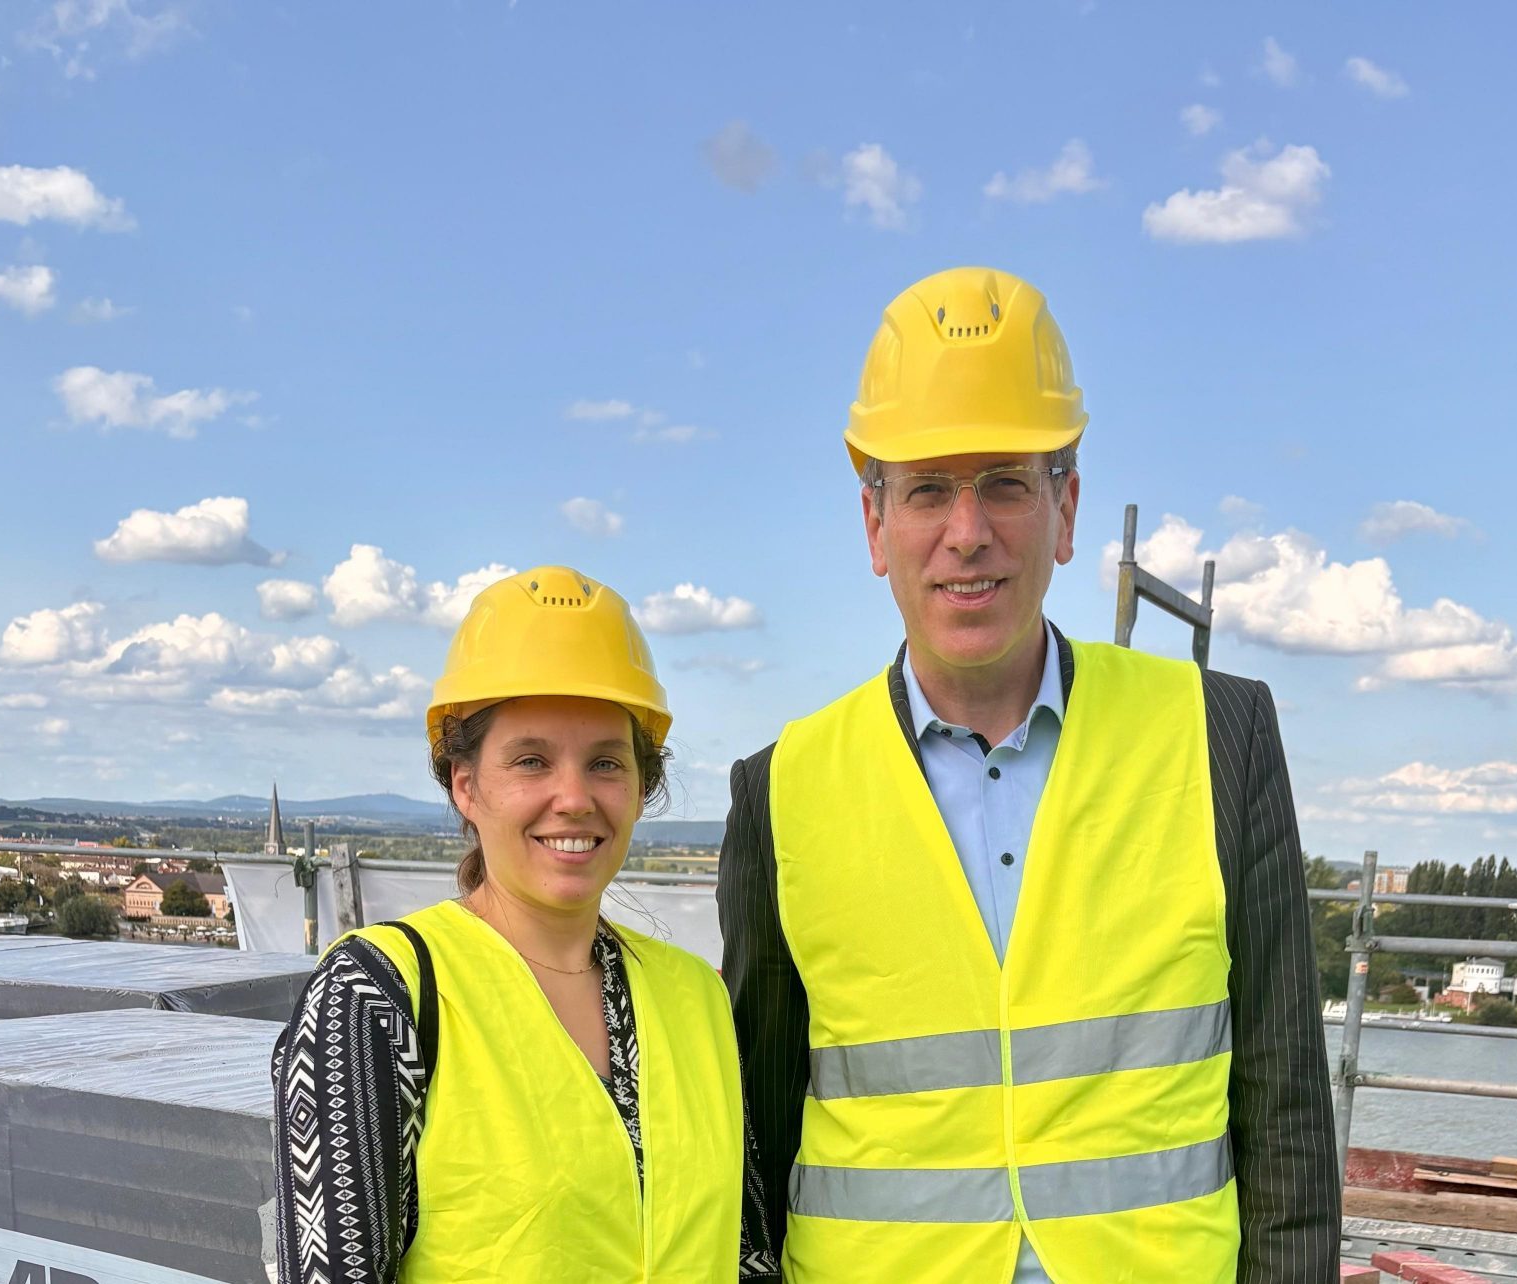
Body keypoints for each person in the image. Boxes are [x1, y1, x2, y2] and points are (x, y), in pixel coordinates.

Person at [718, 267, 1339, 1282]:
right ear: (876, 525)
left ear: (1065, 509)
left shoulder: (1217, 737)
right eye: (926, 489)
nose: (968, 532)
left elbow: (1289, 1129)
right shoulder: (782, 790)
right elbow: (760, 1147)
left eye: (1005, 481)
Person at [273, 565, 777, 1282]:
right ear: (465, 783)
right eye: (532, 761)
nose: (573, 798)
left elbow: (749, 1257)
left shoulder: (697, 1000)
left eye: (606, 763)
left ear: (640, 789)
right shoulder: (380, 997)